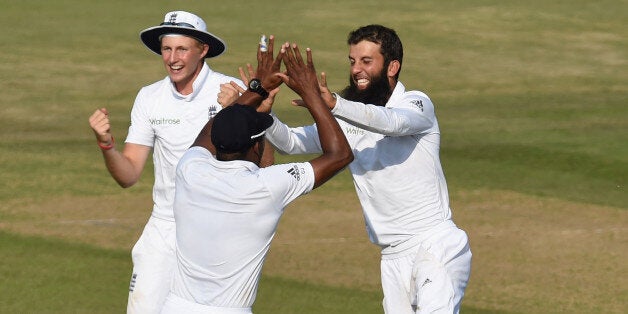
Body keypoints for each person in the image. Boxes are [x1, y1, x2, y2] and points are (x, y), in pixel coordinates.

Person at [258, 25, 472, 313]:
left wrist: (333, 104)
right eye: (352, 61)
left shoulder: (417, 104)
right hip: (392, 258)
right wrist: (263, 113)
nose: (356, 69)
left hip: (434, 245)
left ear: (392, 66)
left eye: (366, 61)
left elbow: (393, 123)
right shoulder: (348, 118)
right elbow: (292, 143)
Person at [87, 11, 269, 313]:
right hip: (165, 226)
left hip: (216, 227)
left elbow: (261, 164)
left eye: (182, 49)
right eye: (166, 49)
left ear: (203, 50)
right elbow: (128, 173)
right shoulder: (149, 97)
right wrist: (106, 145)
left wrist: (242, 109)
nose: (172, 58)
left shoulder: (233, 91)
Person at [161, 39, 353, 313]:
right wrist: (310, 94)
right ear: (256, 146)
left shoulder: (190, 169)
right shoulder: (268, 186)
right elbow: (340, 154)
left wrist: (257, 88)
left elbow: (211, 130)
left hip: (174, 307)